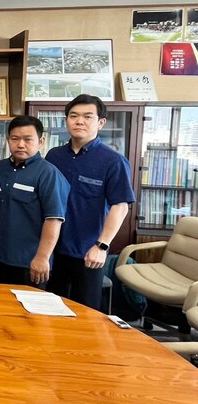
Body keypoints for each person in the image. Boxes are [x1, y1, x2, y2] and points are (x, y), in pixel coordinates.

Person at [46, 94, 136, 309]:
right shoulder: (54, 156)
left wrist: (102, 246)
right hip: (53, 249)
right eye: (74, 116)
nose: (79, 121)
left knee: (86, 312)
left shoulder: (113, 161)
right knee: (50, 308)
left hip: (88, 252)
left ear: (100, 122)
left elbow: (120, 206)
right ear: (66, 120)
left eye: (87, 116)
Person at [0, 116, 70, 287]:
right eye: (15, 139)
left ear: (41, 142)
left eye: (28, 139)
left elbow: (54, 219)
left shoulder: (48, 173)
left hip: (29, 261)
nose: (20, 145)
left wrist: (42, 257)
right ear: (8, 140)